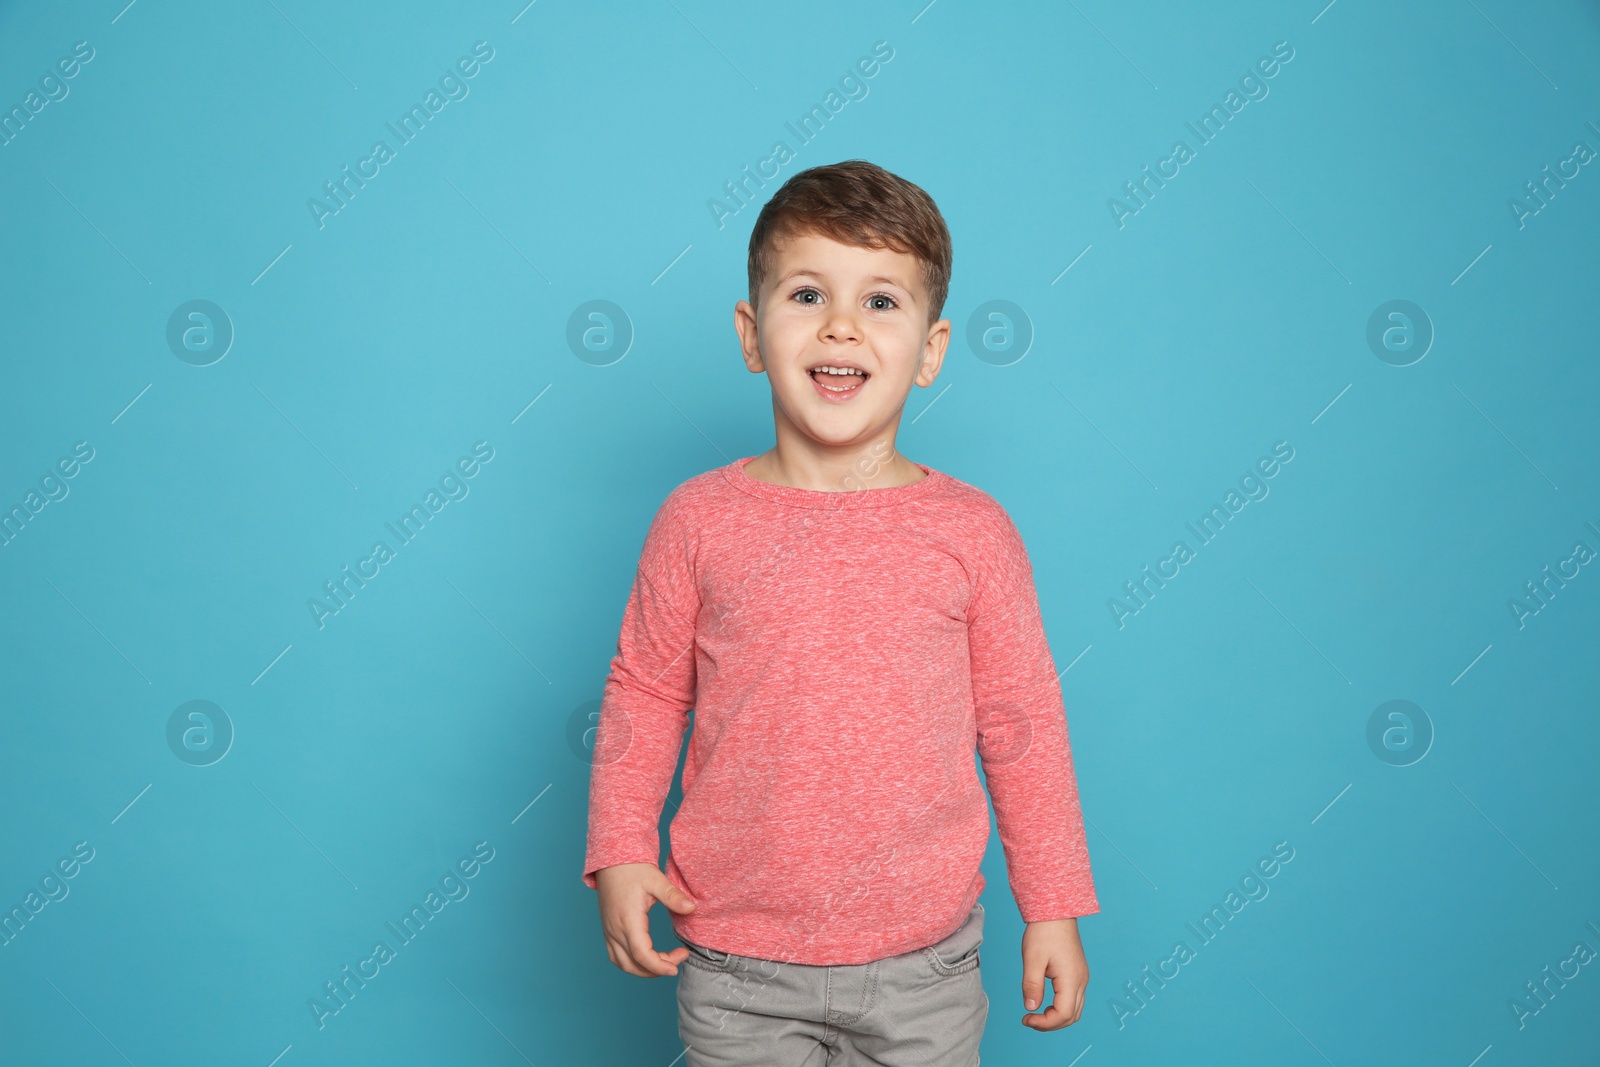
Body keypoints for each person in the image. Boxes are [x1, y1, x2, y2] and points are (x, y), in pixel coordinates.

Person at [582, 159, 1098, 1064]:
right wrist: (620, 847)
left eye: (882, 303)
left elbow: (1023, 723)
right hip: (737, 962)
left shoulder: (973, 532)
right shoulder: (697, 519)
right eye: (809, 293)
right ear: (752, 333)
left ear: (931, 350)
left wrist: (1051, 904)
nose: (841, 326)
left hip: (925, 966)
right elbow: (646, 692)